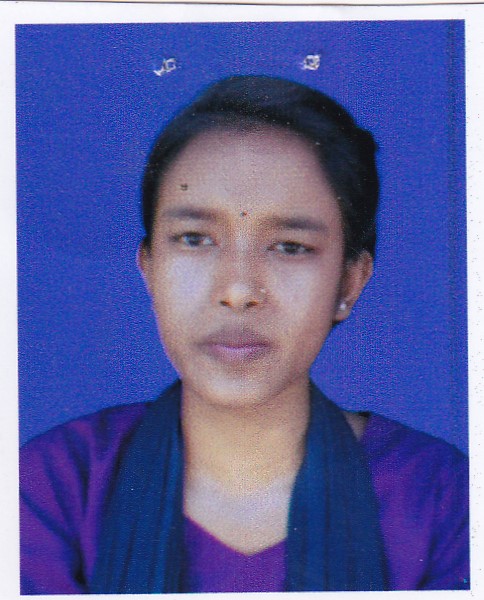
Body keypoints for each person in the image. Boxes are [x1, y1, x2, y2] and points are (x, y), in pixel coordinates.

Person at [20, 75, 469, 594]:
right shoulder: (56, 485)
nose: (237, 290)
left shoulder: (442, 498)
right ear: (149, 268)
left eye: (290, 247)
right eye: (194, 239)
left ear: (349, 282)